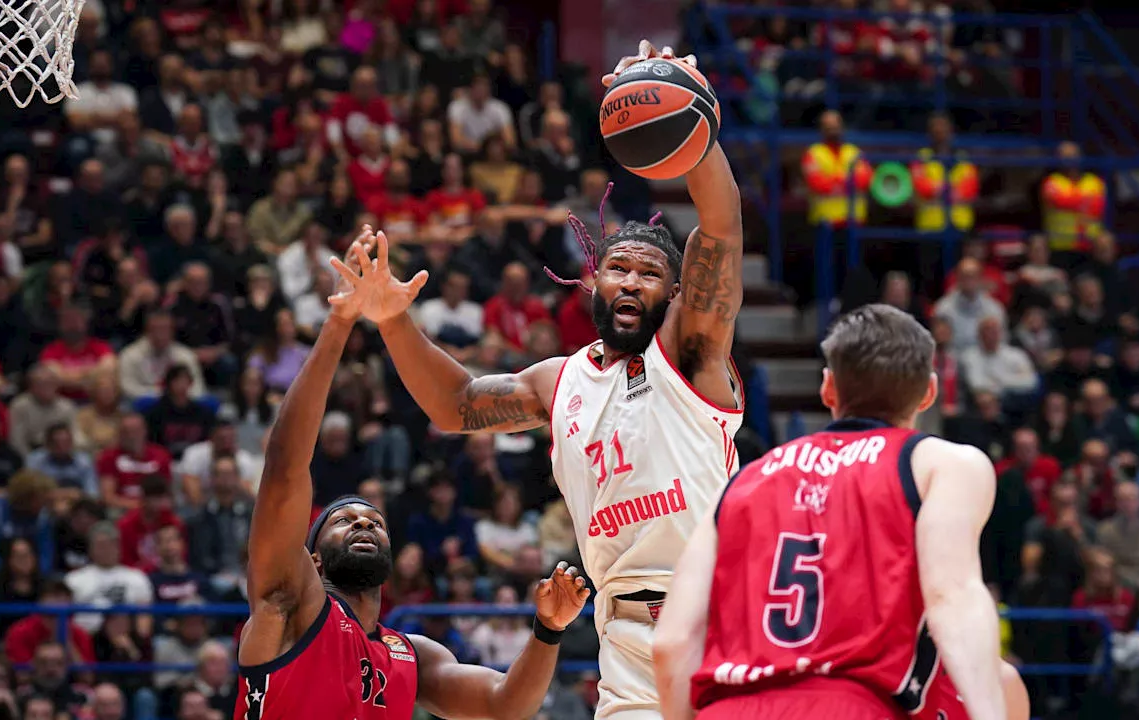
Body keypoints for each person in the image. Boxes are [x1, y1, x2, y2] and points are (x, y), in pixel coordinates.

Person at [329, 40, 745, 719]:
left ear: (675, 296)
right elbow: (457, 405)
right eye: (619, 269)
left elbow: (721, 230)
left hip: (720, 615)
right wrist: (393, 320)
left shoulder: (692, 354)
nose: (632, 281)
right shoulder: (560, 383)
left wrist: (691, 115)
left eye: (649, 273)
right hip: (626, 641)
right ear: (594, 283)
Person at [234, 228, 591, 720]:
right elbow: (284, 469)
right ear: (313, 561)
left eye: (374, 521)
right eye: (346, 520)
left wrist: (549, 630)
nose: (365, 523)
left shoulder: (410, 654)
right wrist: (339, 323)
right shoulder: (289, 602)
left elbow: (504, 705)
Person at [652, 304, 1028, 720]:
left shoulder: (743, 481)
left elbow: (672, 642)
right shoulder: (940, 463)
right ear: (929, 392)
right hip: (849, 704)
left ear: (828, 388)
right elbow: (952, 596)